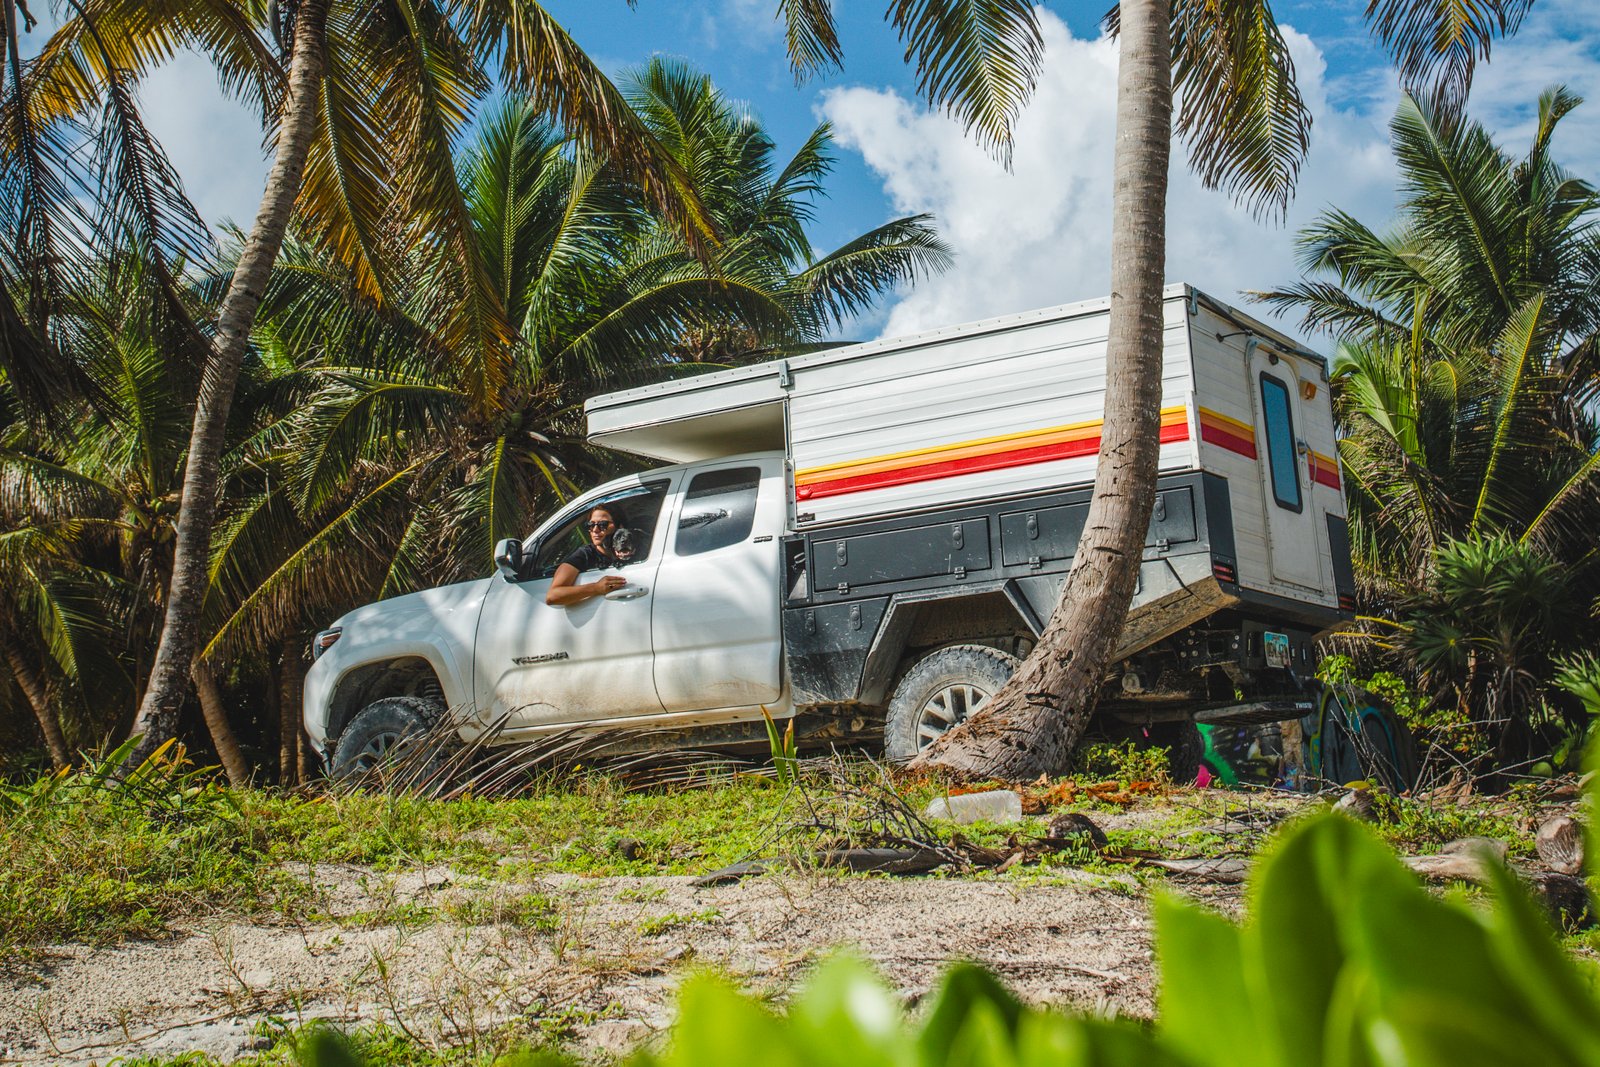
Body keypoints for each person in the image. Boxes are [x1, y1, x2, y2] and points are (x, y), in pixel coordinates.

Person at [546, 503, 629, 606]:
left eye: (603, 524)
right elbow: (552, 596)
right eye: (591, 525)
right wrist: (596, 588)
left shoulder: (636, 548)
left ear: (620, 526)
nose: (595, 530)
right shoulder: (585, 554)